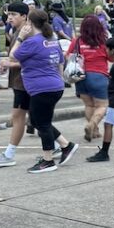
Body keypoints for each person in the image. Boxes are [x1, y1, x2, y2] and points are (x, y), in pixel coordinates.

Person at [0, 3, 61, 168]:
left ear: (25, 16)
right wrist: (7, 65)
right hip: (23, 82)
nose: (9, 17)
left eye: (13, 14)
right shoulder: (18, 32)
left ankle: (9, 154)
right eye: (8, 14)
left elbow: (30, 59)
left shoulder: (27, 34)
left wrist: (10, 63)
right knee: (36, 118)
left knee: (21, 117)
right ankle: (60, 145)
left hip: (26, 83)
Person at [4, 9, 78, 173]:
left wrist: (21, 37)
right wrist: (59, 79)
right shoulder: (52, 40)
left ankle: (48, 160)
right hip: (54, 86)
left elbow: (13, 56)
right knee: (37, 121)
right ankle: (66, 145)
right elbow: (60, 61)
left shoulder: (32, 42)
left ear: (29, 23)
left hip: (41, 88)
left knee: (42, 123)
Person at [67, 14, 110, 142]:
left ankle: (95, 131)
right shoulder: (103, 41)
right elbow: (110, 57)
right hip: (99, 76)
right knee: (102, 106)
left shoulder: (77, 41)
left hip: (80, 76)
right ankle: (92, 124)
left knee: (89, 105)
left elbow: (68, 56)